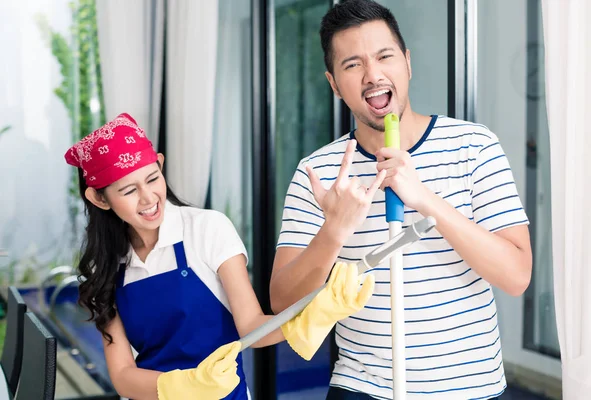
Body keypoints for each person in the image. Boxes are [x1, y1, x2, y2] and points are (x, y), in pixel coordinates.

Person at [269, 0, 533, 399]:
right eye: (352, 64)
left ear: (407, 63)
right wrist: (334, 231)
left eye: (384, 56)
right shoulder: (320, 172)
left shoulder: (474, 146)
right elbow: (282, 301)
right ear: (334, 84)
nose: (373, 75)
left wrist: (424, 198)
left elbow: (516, 276)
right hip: (361, 387)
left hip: (470, 387)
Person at [64, 112, 375, 400]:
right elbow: (122, 375)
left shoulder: (206, 229)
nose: (148, 199)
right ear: (99, 198)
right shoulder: (106, 265)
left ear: (160, 165)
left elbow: (252, 328)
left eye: (152, 179)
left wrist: (317, 312)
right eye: (128, 191)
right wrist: (184, 386)